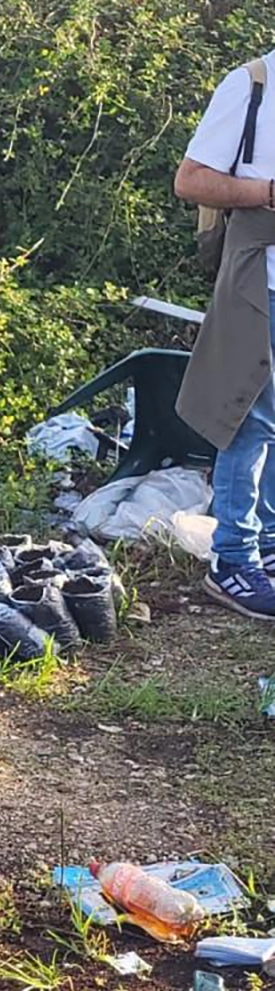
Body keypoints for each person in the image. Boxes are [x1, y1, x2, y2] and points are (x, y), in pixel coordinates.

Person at [175, 53, 275, 617]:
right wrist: (268, 192)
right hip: (259, 277)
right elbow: (191, 180)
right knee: (247, 415)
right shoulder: (252, 85)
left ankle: (267, 546)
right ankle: (233, 558)